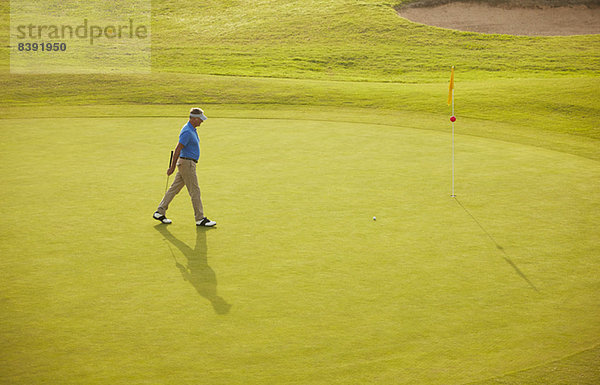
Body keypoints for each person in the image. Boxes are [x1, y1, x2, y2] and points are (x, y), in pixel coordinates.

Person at [153, 108, 216, 227]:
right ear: (194, 118)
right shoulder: (187, 131)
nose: (202, 122)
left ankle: (159, 212)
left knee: (174, 189)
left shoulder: (192, 129)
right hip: (187, 164)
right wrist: (172, 167)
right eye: (200, 119)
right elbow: (177, 149)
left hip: (186, 163)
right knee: (195, 191)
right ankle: (200, 218)